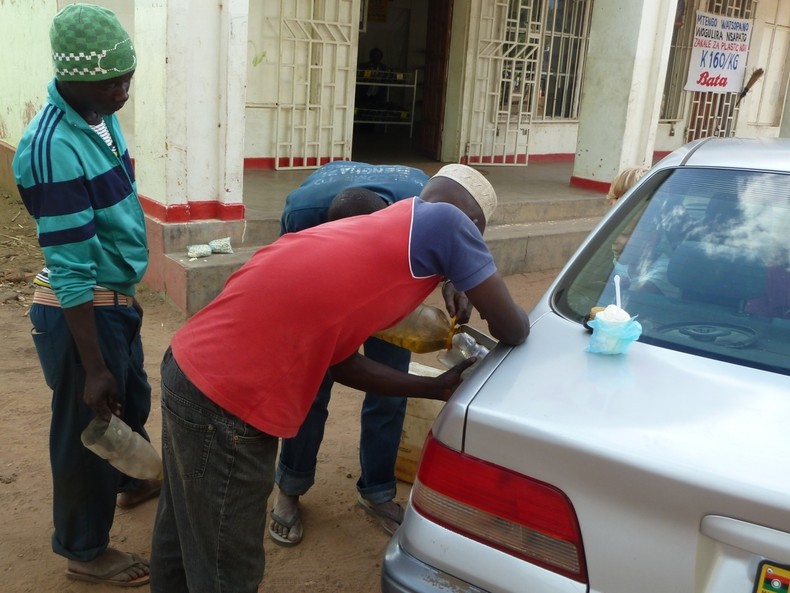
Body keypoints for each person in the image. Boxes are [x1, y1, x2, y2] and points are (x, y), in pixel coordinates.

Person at [149, 164, 530, 593]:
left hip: (189, 368)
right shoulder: (448, 221)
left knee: (181, 533)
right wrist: (470, 273)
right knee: (225, 566)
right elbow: (513, 328)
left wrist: (433, 388)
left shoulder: (374, 238)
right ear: (473, 226)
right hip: (228, 401)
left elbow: (342, 364)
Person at [12, 4, 159, 587]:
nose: (124, 91)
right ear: (73, 76)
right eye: (113, 81)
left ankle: (130, 481)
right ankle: (84, 550)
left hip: (114, 297)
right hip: (83, 309)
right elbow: (69, 267)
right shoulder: (51, 146)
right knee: (88, 427)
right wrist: (93, 365)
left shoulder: (98, 114)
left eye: (129, 77)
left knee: (135, 401)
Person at [270, 161, 468, 545]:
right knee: (310, 388)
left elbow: (454, 238)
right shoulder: (302, 215)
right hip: (322, 281)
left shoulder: (422, 206)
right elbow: (287, 273)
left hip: (390, 278)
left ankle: (377, 491)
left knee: (389, 389)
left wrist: (453, 278)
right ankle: (290, 488)